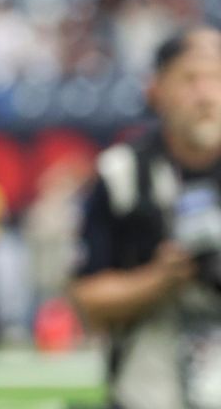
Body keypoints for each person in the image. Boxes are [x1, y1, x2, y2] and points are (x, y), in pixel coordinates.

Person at [71, 27, 221, 409]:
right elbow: (88, 299)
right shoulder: (121, 174)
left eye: (217, 77)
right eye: (190, 79)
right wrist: (159, 278)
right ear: (157, 90)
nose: (205, 95)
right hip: (148, 385)